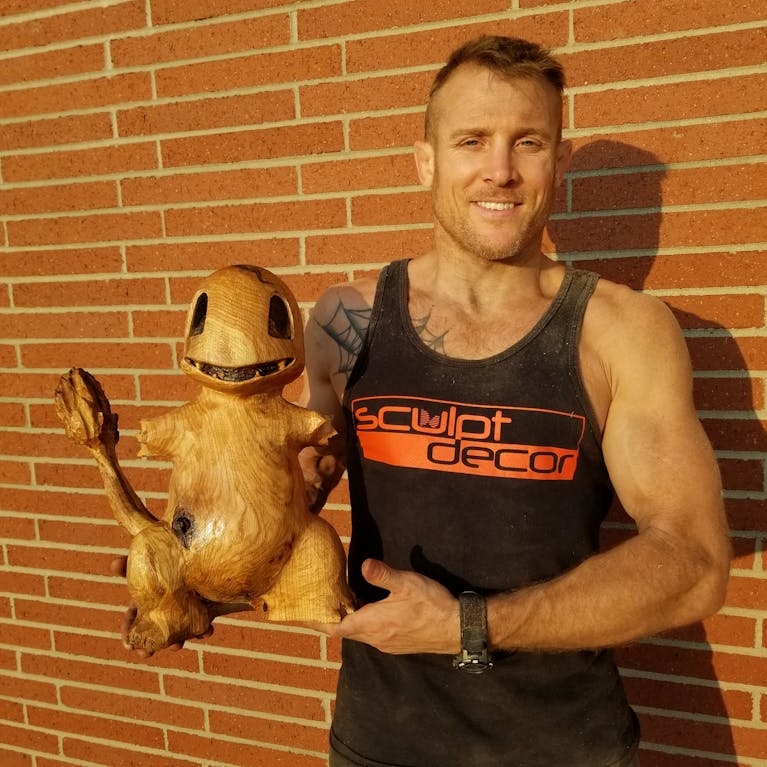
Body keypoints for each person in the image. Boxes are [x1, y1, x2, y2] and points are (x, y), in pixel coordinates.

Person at [116, 35, 730, 767]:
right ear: (426, 161)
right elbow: (290, 496)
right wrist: (199, 572)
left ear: (558, 163)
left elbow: (694, 563)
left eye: (528, 142)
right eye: (472, 140)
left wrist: (469, 625)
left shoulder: (622, 331)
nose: (499, 170)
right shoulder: (348, 319)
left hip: (564, 746)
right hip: (382, 740)